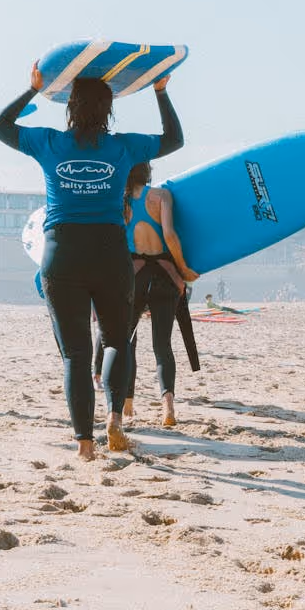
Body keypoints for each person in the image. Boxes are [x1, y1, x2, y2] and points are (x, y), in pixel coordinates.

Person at [0, 63, 184, 460]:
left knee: (76, 354)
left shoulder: (48, 143)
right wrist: (160, 91)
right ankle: (113, 417)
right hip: (111, 251)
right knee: (116, 339)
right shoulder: (123, 147)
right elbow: (174, 140)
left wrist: (31, 89)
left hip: (62, 252)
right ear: (109, 110)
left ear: (69, 107)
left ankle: (84, 445)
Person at [121, 162, 198, 426]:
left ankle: (126, 404)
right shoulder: (162, 196)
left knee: (127, 340)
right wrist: (184, 269)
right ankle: (168, 409)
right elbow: (169, 234)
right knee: (162, 345)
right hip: (165, 276)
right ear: (148, 173)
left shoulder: (121, 202)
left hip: (134, 277)